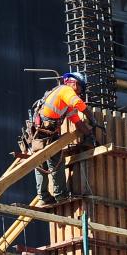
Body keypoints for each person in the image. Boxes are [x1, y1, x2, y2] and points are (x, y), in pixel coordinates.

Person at [33, 72, 97, 205]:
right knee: (56, 161)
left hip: (40, 133)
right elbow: (78, 103)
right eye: (81, 89)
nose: (80, 92)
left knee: (40, 163)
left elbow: (77, 121)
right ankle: (60, 195)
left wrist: (89, 134)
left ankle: (44, 197)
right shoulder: (66, 90)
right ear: (74, 83)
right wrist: (91, 116)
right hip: (45, 132)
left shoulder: (63, 100)